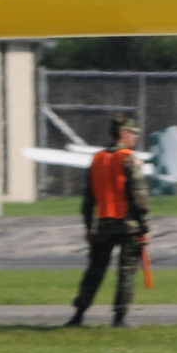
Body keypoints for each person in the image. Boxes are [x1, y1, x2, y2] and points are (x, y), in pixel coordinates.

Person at [66, 116, 151, 328]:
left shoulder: (97, 159)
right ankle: (119, 317)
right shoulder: (129, 159)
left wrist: (88, 227)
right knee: (127, 270)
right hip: (128, 225)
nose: (136, 137)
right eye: (133, 132)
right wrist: (145, 227)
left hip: (103, 224)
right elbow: (139, 196)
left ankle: (79, 313)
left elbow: (88, 200)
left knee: (95, 270)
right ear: (123, 133)